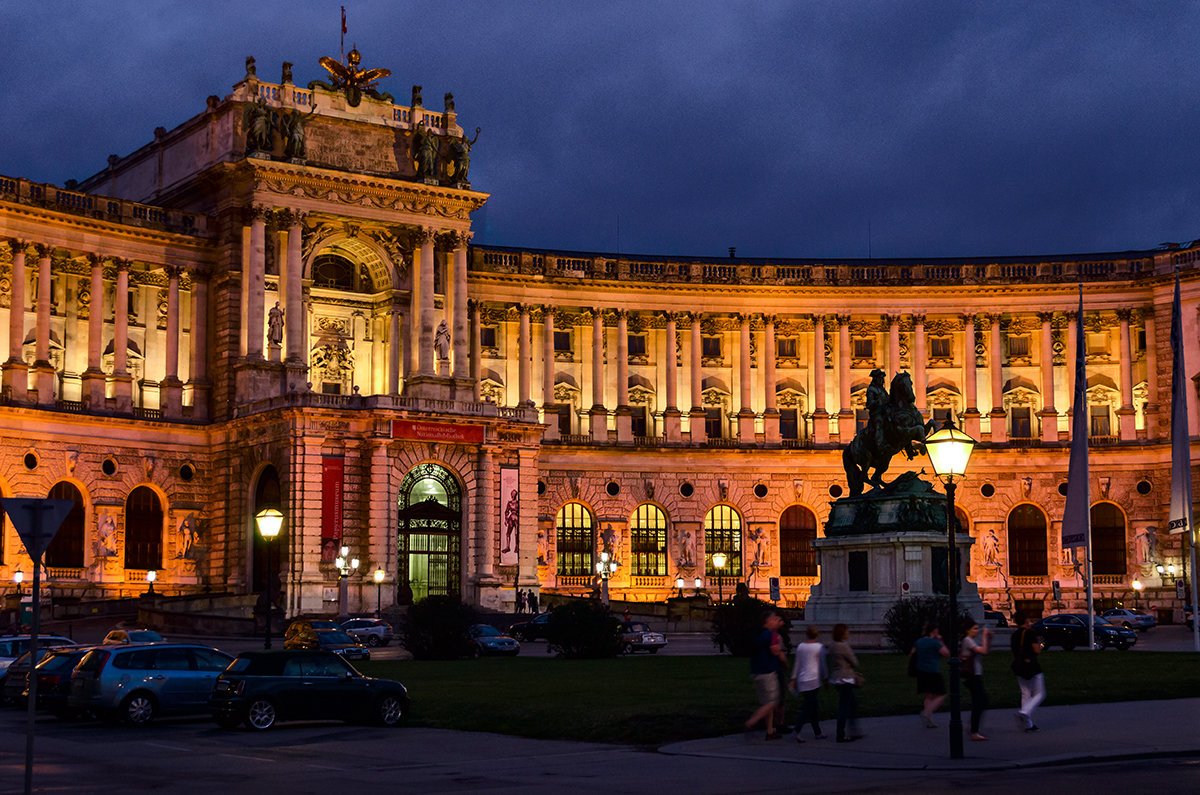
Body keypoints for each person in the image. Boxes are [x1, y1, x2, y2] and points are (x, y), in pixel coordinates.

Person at [745, 610, 788, 740]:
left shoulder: (759, 633)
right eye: (774, 619)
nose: (776, 621)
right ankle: (752, 722)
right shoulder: (771, 635)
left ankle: (769, 732)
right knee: (772, 702)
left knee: (766, 703)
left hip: (756, 671)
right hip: (768, 672)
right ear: (768, 621)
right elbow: (775, 652)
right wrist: (779, 644)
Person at [789, 625, 827, 742]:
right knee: (808, 707)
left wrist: (794, 678)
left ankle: (817, 732)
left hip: (802, 680)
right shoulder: (819, 647)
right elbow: (822, 664)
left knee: (812, 706)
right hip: (813, 680)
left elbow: (797, 664)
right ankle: (797, 730)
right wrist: (825, 677)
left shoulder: (801, 647)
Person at [1010, 610, 1045, 732]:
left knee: (1025, 693)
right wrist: (1040, 643)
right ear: (1026, 620)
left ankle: (1028, 724)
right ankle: (1024, 712)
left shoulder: (1014, 635)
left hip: (1019, 667)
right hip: (1032, 667)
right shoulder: (1030, 633)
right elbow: (1037, 650)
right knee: (1040, 694)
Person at [827, 623, 862, 742]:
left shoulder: (832, 646)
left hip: (837, 678)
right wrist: (850, 663)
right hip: (845, 678)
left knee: (852, 704)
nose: (849, 633)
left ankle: (853, 731)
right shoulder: (843, 646)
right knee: (844, 707)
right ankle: (841, 734)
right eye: (847, 631)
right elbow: (855, 662)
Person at [961, 618, 993, 740]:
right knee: (981, 701)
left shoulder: (971, 640)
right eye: (975, 628)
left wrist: (989, 637)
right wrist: (985, 635)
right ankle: (974, 732)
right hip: (972, 676)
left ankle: (973, 728)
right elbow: (983, 651)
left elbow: (986, 650)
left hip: (975, 676)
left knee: (979, 701)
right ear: (967, 630)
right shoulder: (968, 640)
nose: (977, 630)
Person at [913, 621, 950, 728]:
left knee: (929, 695)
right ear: (934, 630)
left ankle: (929, 721)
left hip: (921, 671)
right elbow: (947, 653)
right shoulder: (935, 642)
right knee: (942, 694)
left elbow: (913, 652)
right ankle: (927, 712)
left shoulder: (919, 641)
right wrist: (941, 641)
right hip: (933, 671)